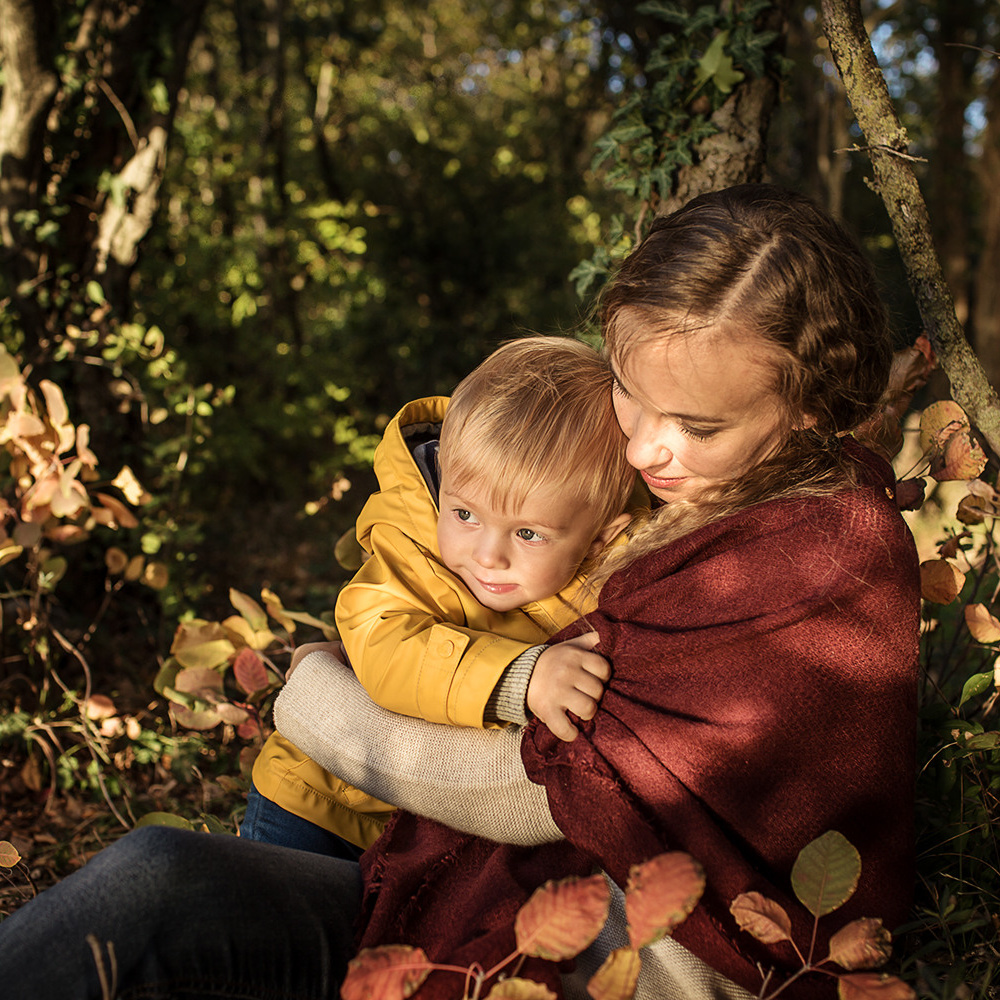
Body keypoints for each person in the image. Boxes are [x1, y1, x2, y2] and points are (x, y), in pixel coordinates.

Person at [0, 184, 920, 1000]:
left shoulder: (814, 553)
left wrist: (320, 703)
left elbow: (550, 790)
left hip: (583, 955)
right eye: (631, 397)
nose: (645, 448)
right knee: (152, 876)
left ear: (809, 406)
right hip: (453, 891)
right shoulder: (692, 490)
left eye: (696, 425)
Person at [244, 336, 635, 857]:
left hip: (433, 830)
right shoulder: (413, 545)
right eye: (466, 515)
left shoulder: (615, 582)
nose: (487, 555)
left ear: (602, 538)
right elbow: (386, 645)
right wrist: (519, 677)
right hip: (320, 800)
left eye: (528, 534)